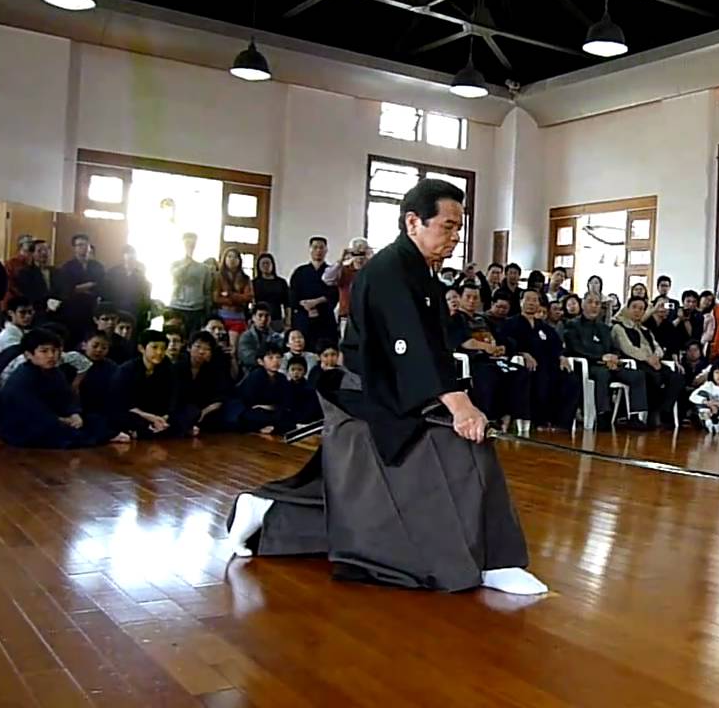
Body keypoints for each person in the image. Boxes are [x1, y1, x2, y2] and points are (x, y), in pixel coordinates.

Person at [224, 178, 544, 596]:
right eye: (447, 225)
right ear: (413, 221)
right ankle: (492, 562)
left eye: (458, 226)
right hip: (372, 395)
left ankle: (266, 508)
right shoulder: (389, 270)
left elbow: (434, 341)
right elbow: (408, 343)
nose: (455, 235)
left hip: (400, 389)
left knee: (357, 494)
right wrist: (459, 405)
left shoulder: (422, 272)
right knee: (466, 448)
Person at [0, 329, 127, 448]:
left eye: (54, 350)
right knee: (54, 431)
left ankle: (104, 435)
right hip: (24, 424)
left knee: (95, 419)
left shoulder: (55, 372)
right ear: (28, 355)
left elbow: (66, 397)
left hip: (54, 417)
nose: (51, 355)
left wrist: (74, 414)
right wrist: (62, 420)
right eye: (44, 351)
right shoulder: (22, 377)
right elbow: (32, 410)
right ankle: (102, 437)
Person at [563, 292, 649, 428]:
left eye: (597, 304)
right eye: (590, 302)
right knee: (602, 373)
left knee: (637, 375)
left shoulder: (603, 327)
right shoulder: (572, 325)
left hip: (609, 365)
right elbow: (576, 348)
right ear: (582, 304)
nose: (594, 306)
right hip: (588, 366)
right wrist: (601, 358)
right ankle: (603, 414)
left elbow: (613, 347)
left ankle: (634, 416)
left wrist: (614, 358)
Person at [446, 283, 527, 428]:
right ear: (460, 298)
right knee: (490, 374)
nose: (472, 301)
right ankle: (490, 417)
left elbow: (500, 339)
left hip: (494, 359)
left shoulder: (483, 319)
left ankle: (510, 416)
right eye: (468, 297)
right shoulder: (455, 319)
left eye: (475, 298)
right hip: (475, 361)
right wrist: (487, 348)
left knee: (519, 372)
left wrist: (501, 348)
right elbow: (466, 343)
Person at [501, 288, 581, 431]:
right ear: (521, 302)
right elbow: (507, 343)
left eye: (535, 300)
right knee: (542, 377)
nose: (531, 303)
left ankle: (562, 423)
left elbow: (556, 345)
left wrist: (561, 356)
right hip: (528, 365)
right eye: (528, 299)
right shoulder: (511, 323)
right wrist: (523, 353)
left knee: (572, 380)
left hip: (550, 364)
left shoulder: (544, 327)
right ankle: (541, 421)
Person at [611, 296, 685, 428]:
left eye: (641, 309)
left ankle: (664, 410)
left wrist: (656, 357)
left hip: (653, 361)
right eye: (634, 307)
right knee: (653, 377)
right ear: (627, 309)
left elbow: (657, 347)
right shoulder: (619, 327)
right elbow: (628, 348)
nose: (637, 311)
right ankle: (648, 414)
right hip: (635, 362)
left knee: (677, 378)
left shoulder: (645, 330)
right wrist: (647, 358)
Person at [112, 329, 198, 438]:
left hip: (159, 413)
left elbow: (173, 396)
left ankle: (147, 431)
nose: (159, 352)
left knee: (191, 411)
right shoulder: (126, 370)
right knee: (118, 416)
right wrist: (150, 417)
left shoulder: (168, 367)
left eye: (163, 349)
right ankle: (162, 430)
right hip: (137, 413)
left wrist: (165, 416)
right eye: (155, 347)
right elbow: (123, 403)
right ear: (141, 348)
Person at [176, 331, 232, 433]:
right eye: (198, 347)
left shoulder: (214, 369)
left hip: (204, 408)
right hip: (182, 407)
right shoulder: (178, 367)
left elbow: (220, 396)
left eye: (207, 349)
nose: (201, 352)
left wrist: (205, 412)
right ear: (189, 348)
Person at [230, 346, 293, 434]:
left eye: (278, 357)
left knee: (287, 415)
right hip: (252, 411)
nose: (275, 361)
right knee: (251, 416)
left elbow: (285, 401)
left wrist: (270, 407)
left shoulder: (281, 378)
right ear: (260, 361)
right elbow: (249, 402)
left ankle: (271, 427)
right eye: (270, 357)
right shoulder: (256, 376)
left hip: (272, 410)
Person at [290, 236, 339, 347]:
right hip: (303, 317)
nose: (318, 251)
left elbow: (334, 294)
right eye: (315, 247)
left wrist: (317, 302)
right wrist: (306, 305)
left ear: (326, 250)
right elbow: (293, 295)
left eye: (321, 248)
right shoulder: (300, 271)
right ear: (310, 249)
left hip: (324, 318)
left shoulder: (331, 271)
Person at [57, 233, 105, 343]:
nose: (83, 248)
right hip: (74, 309)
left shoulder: (97, 266)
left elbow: (102, 285)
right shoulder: (67, 267)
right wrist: (90, 285)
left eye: (85, 245)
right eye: (79, 245)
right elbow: (67, 289)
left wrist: (82, 287)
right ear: (74, 248)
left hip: (92, 308)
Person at [99, 245, 152, 334]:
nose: (130, 260)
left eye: (132, 257)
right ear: (123, 257)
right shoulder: (113, 272)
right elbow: (106, 293)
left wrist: (145, 312)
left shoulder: (140, 275)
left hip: (134, 312)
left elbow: (145, 296)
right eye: (128, 257)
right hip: (116, 310)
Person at [324, 237, 371, 331]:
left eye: (362, 254)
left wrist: (372, 258)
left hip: (368, 316)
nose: (359, 257)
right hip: (347, 316)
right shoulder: (344, 270)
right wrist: (341, 259)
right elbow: (327, 279)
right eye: (355, 253)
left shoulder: (372, 270)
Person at [169, 233, 211, 337]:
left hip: (196, 308)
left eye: (193, 244)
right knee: (174, 335)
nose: (190, 246)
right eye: (187, 244)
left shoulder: (204, 268)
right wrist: (187, 260)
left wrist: (207, 310)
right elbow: (177, 276)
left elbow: (207, 290)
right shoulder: (175, 264)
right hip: (177, 306)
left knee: (192, 336)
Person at [214, 248, 254, 347]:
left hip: (239, 317)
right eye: (229, 256)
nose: (232, 259)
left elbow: (248, 297)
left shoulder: (245, 278)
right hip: (222, 316)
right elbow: (216, 298)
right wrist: (237, 299)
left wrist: (229, 294)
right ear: (224, 259)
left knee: (234, 348)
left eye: (235, 257)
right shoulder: (218, 277)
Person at [10, 240, 59, 318]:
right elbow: (28, 295)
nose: (44, 253)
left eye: (46, 250)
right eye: (39, 251)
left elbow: (62, 290)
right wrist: (46, 304)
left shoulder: (57, 271)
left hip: (57, 312)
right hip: (36, 314)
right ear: (32, 254)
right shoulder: (25, 273)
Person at [78, 331, 117, 417]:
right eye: (95, 346)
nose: (99, 350)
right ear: (84, 345)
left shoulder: (112, 367)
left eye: (104, 348)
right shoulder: (73, 362)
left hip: (102, 410)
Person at [237, 303, 281, 375]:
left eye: (267, 316)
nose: (263, 319)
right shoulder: (246, 336)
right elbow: (247, 358)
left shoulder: (276, 336)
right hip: (251, 372)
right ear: (253, 317)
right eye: (260, 315)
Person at [251, 253, 291, 332]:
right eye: (263, 263)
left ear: (273, 265)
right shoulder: (254, 283)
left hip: (276, 319)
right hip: (259, 319)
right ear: (258, 266)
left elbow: (287, 303)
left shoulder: (281, 282)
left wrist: (288, 321)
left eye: (268, 263)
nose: (265, 266)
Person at [284, 355, 323, 426]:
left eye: (299, 369)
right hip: (290, 422)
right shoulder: (285, 387)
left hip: (307, 422)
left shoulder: (310, 388)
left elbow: (313, 409)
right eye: (293, 369)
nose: (296, 372)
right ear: (288, 371)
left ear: (305, 372)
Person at [204, 316, 239, 381]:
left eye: (220, 329)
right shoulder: (199, 348)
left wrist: (232, 357)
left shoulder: (225, 349)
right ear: (204, 329)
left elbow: (234, 377)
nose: (217, 332)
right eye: (213, 328)